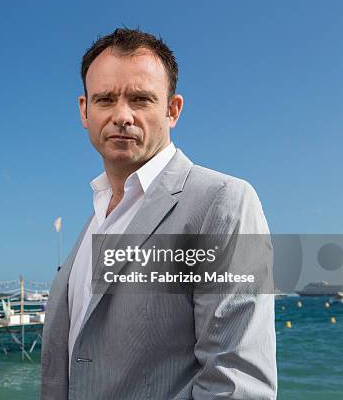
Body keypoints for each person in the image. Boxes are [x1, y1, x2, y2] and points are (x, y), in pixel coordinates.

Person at [40, 28, 276, 399]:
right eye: (105, 99)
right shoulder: (96, 216)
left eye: (140, 99)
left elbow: (236, 383)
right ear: (85, 111)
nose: (122, 115)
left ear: (172, 110)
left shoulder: (223, 202)